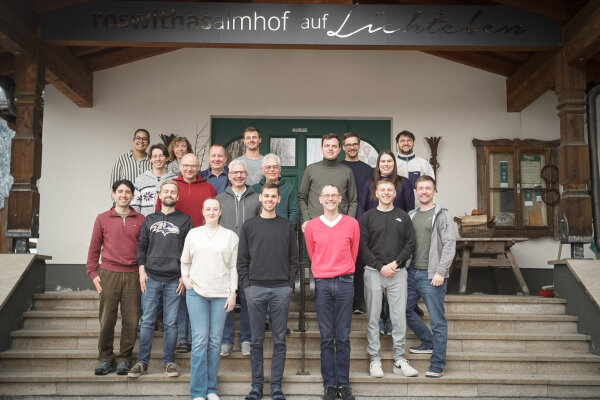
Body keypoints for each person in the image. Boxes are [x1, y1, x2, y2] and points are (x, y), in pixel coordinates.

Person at [237, 183, 298, 400]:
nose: (270, 199)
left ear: (278, 199)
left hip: (281, 289)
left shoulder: (287, 226)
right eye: (267, 196)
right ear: (260, 198)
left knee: (280, 340)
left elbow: (293, 259)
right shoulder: (249, 226)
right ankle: (256, 387)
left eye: (273, 196)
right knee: (256, 341)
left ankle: (276, 387)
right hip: (255, 289)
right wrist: (247, 286)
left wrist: (289, 285)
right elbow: (242, 260)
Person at [129, 180, 193, 378]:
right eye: (166, 191)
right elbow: (141, 246)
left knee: (171, 323)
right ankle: (142, 362)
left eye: (173, 192)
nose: (169, 194)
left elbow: (190, 250)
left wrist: (184, 275)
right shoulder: (149, 219)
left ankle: (169, 362)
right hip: (151, 277)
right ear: (160, 194)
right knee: (147, 321)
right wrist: (142, 271)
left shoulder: (185, 220)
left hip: (175, 280)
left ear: (177, 197)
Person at [157, 153, 217, 353]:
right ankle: (183, 338)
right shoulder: (172, 186)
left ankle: (198, 337)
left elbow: (214, 213)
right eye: (186, 165)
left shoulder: (208, 187)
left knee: (197, 292)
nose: (189, 169)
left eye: (193, 166)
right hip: (175, 248)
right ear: (180, 165)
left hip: (203, 248)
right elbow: (160, 215)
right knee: (181, 292)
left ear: (199, 167)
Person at [304, 185, 359, 400]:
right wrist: (324, 271)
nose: (330, 199)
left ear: (340, 198)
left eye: (333, 195)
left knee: (343, 337)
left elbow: (353, 252)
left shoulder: (352, 223)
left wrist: (342, 269)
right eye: (326, 195)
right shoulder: (312, 226)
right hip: (323, 284)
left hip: (345, 282)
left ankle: (343, 384)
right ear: (320, 199)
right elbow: (312, 253)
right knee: (327, 337)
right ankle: (329, 385)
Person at [358, 179, 418, 378]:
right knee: (373, 317)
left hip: (397, 273)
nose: (385, 193)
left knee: (399, 318)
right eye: (382, 190)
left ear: (395, 193)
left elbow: (410, 244)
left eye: (389, 190)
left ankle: (399, 359)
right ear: (376, 193)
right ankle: (374, 358)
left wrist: (396, 263)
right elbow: (362, 247)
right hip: (373, 272)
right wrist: (380, 267)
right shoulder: (367, 218)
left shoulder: (403, 216)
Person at [181, 198, 239, 400]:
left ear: (220, 212)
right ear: (203, 211)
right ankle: (198, 391)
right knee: (199, 341)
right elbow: (185, 261)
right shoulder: (193, 234)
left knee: (215, 342)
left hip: (221, 294)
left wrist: (233, 292)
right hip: (197, 293)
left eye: (215, 209)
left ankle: (212, 389)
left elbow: (233, 266)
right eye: (208, 209)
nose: (212, 212)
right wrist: (186, 279)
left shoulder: (230, 236)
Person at [86, 179, 144, 376]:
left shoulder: (141, 219)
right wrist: (93, 273)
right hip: (109, 273)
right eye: (120, 191)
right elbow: (94, 248)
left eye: (127, 192)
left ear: (133, 196)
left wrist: (143, 273)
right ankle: (105, 358)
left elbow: (144, 249)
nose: (123, 195)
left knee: (131, 319)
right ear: (113, 194)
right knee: (106, 318)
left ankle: (124, 359)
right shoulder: (102, 218)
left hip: (133, 275)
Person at [357, 150, 415, 330]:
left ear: (394, 164)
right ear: (378, 164)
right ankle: (380, 318)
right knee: (375, 285)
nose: (386, 164)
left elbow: (410, 209)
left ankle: (389, 319)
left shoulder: (403, 183)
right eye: (383, 161)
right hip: (374, 238)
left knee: (394, 285)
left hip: (396, 238)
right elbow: (361, 207)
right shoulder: (369, 183)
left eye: (389, 161)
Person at [406, 175, 456, 378]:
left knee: (438, 322)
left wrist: (440, 272)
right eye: (421, 188)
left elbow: (450, 245)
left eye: (428, 188)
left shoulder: (442, 215)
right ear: (416, 192)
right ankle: (428, 342)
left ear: (434, 191)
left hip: (432, 276)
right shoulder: (411, 215)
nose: (424, 191)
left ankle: (437, 364)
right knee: (402, 310)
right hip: (411, 274)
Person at [217, 159, 261, 357]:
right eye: (235, 172)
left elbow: (262, 226)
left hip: (250, 257)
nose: (238, 176)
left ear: (247, 175)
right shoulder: (219, 199)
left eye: (242, 172)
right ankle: (226, 340)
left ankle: (246, 339)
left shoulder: (256, 199)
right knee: (227, 300)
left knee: (248, 300)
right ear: (229, 175)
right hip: (226, 258)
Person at [340, 132, 373, 315]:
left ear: (359, 146)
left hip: (362, 221)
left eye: (354, 144)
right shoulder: (338, 168)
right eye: (348, 144)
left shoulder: (368, 170)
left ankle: (358, 302)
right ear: (343, 147)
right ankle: (342, 300)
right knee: (342, 260)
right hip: (339, 220)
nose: (352, 147)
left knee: (360, 261)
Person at [298, 133, 357, 232]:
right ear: (322, 148)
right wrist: (306, 220)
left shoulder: (347, 171)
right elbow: (302, 198)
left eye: (334, 146)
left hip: (341, 227)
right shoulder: (311, 170)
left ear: (339, 149)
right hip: (315, 226)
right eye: (327, 146)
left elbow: (353, 201)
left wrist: (349, 222)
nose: (330, 149)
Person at [252, 153, 300, 225]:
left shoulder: (289, 188)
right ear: (263, 170)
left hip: (283, 229)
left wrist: (288, 228)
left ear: (279, 170)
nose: (272, 170)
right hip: (260, 228)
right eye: (268, 167)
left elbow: (294, 212)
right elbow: (252, 212)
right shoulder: (255, 189)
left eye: (275, 167)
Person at [131, 143, 176, 216]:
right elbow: (135, 204)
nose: (158, 159)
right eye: (155, 156)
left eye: (161, 156)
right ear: (150, 159)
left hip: (170, 221)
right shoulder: (141, 179)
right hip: (146, 221)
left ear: (167, 158)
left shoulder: (174, 179)